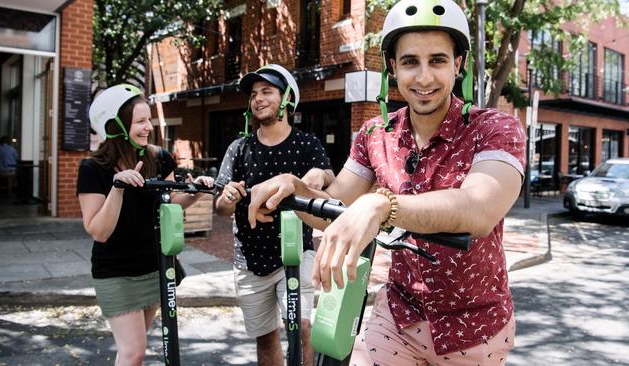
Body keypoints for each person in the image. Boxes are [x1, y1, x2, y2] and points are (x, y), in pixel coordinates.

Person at [247, 0, 526, 364]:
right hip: (399, 315)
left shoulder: (495, 128)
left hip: (474, 327)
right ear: (392, 67)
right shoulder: (375, 133)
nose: (423, 78)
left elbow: (479, 209)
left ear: (458, 65)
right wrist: (295, 187)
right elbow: (334, 206)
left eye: (438, 60)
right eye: (410, 62)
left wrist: (381, 205)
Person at [76, 84, 214, 365]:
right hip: (116, 272)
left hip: (155, 266)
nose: (148, 127)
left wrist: (195, 190)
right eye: (139, 121)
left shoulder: (159, 158)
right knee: (134, 351)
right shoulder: (93, 169)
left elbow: (171, 203)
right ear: (115, 125)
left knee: (134, 349)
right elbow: (98, 231)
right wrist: (118, 188)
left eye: (148, 120)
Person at [214, 64, 334, 366]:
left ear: (287, 100)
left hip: (295, 254)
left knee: (302, 328)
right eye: (254, 94)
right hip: (250, 260)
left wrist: (318, 173)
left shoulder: (307, 143)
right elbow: (221, 207)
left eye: (267, 91)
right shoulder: (239, 148)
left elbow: (330, 178)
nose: (258, 99)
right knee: (265, 337)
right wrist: (227, 198)